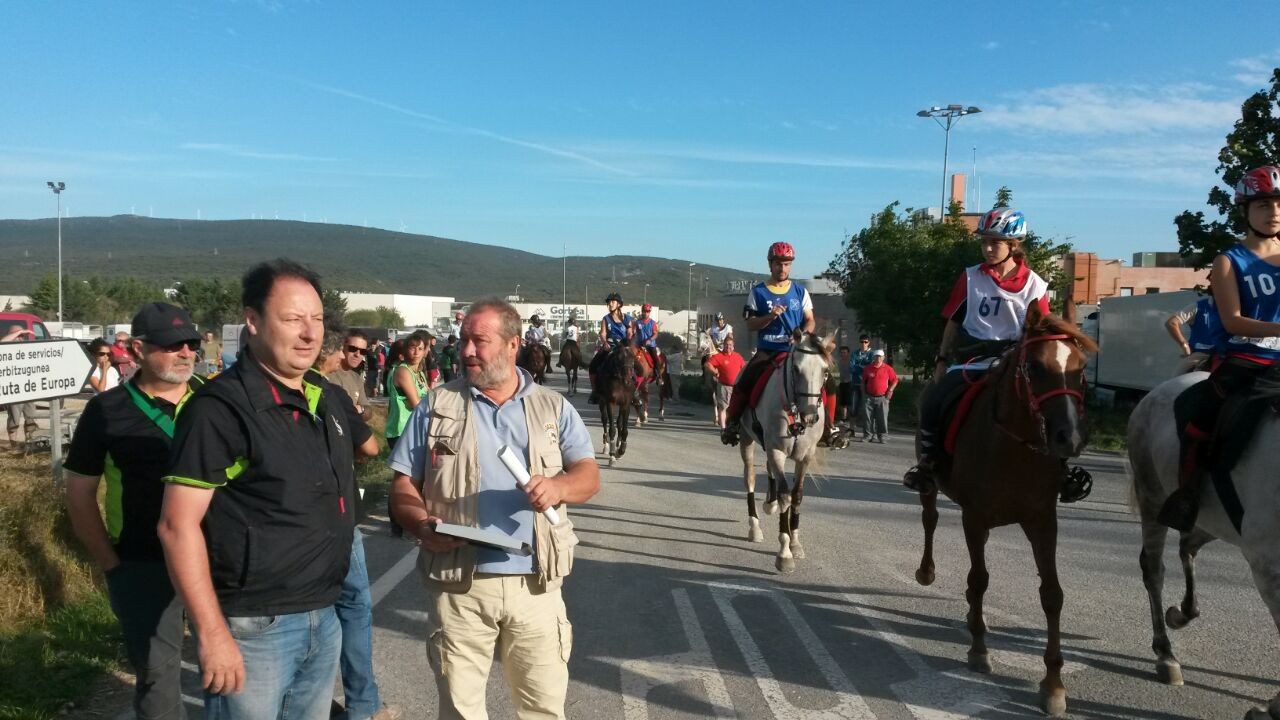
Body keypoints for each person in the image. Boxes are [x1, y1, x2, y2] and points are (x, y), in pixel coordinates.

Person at [158, 259, 380, 719]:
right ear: (253, 321)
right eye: (292, 318)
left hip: (325, 612)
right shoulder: (219, 411)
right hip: (256, 626)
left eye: (317, 319)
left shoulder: (323, 398)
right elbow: (177, 526)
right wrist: (212, 633)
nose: (309, 333)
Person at [387, 297, 599, 720]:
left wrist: (558, 487)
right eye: (464, 340)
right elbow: (402, 487)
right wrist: (420, 523)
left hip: (536, 588)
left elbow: (589, 477)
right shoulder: (435, 405)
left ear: (512, 344)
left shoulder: (553, 407)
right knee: (460, 712)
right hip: (459, 587)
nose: (466, 350)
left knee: (543, 709)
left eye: (479, 341)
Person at [63, 302, 203, 720]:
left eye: (191, 343)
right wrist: (112, 566)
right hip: (143, 564)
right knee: (158, 683)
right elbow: (79, 494)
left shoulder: (214, 401)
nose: (185, 352)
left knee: (235, 670)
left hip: (217, 558)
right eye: (171, 344)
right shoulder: (106, 411)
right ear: (139, 349)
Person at [1160, 166, 1280, 531]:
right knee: (1202, 412)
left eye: (1278, 203)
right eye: (1262, 204)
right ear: (1245, 210)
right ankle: (1188, 495)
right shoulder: (1230, 261)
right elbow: (1232, 322)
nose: (1273, 211)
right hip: (1248, 358)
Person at [903, 207, 1051, 492]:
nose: (987, 248)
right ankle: (929, 463)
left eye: (994, 242)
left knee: (1054, 401)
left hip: (1015, 360)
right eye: (984, 241)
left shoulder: (1035, 284)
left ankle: (1059, 467)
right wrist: (942, 359)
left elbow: (1041, 330)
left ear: (1013, 245)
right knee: (933, 400)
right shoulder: (971, 277)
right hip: (973, 361)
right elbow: (953, 322)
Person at [312, 331, 402, 720]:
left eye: (362, 351)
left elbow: (365, 411)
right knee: (352, 607)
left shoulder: (348, 381)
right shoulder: (327, 389)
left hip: (305, 517)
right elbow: (369, 444)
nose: (356, 356)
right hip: (335, 511)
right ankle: (361, 705)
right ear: (330, 352)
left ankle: (337, 705)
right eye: (350, 350)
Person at [720, 242, 816, 446]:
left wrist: (802, 335)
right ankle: (733, 423)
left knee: (822, 379)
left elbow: (811, 320)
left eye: (787, 264)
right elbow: (750, 324)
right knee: (744, 380)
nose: (783, 268)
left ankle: (828, 427)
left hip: (794, 350)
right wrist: (770, 316)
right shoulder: (758, 292)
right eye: (779, 264)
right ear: (770, 265)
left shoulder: (800, 292)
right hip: (768, 350)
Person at [387, 331, 431, 537]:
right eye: (412, 348)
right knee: (403, 477)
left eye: (420, 349)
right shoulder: (403, 371)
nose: (416, 352)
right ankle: (396, 521)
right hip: (400, 428)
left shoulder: (419, 373)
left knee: (416, 477)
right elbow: (418, 404)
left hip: (414, 429)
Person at [1166, 288, 1225, 376]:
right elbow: (1171, 323)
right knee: (1176, 379)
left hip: (1226, 355)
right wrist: (1184, 344)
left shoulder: (1235, 307)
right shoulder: (1198, 306)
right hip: (1201, 355)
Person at [587, 293, 632, 404]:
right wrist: (605, 342)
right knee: (593, 365)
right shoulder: (606, 319)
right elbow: (603, 333)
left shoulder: (626, 318)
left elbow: (630, 332)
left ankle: (635, 392)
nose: (610, 304)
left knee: (636, 365)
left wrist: (627, 342)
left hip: (624, 346)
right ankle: (595, 391)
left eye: (613, 302)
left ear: (619, 304)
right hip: (610, 345)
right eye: (609, 302)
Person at [2, 325, 39, 444]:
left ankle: (29, 445)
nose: (20, 338)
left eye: (22, 336)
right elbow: (2, 342)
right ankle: (13, 445)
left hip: (28, 389)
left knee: (31, 417)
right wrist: (20, 331)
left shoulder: (26, 349)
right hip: (14, 390)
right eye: (18, 336)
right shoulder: (6, 349)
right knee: (14, 419)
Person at [329, 330, 373, 420]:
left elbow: (369, 411)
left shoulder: (357, 378)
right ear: (342, 348)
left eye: (362, 351)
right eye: (353, 349)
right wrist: (356, 410)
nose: (357, 354)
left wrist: (361, 409)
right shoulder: (329, 374)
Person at [704, 336, 746, 428]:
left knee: (736, 408)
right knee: (723, 407)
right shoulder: (719, 356)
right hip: (724, 386)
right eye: (726, 345)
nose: (728, 347)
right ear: (723, 346)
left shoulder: (738, 356)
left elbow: (744, 368)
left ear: (733, 346)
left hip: (736, 387)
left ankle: (734, 425)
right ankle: (723, 428)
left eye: (730, 345)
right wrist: (715, 372)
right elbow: (707, 364)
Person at [861, 349, 898, 444]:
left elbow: (895, 380)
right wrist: (864, 394)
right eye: (876, 356)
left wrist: (890, 390)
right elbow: (863, 382)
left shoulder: (888, 368)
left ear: (883, 358)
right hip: (869, 396)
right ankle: (868, 435)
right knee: (867, 418)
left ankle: (882, 436)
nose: (878, 358)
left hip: (882, 397)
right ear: (873, 357)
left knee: (882, 417)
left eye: (880, 356)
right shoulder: (867, 368)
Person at [848, 335, 875, 440]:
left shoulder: (872, 354)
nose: (863, 344)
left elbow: (872, 367)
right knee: (853, 408)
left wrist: (859, 367)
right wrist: (864, 367)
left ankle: (869, 432)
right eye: (861, 342)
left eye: (865, 342)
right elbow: (851, 367)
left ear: (869, 343)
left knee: (868, 409)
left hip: (868, 385)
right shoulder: (855, 353)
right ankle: (851, 429)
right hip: (855, 384)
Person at [632, 303, 662, 378]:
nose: (646, 313)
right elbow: (634, 332)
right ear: (642, 311)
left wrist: (650, 340)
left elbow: (655, 334)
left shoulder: (653, 323)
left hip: (650, 346)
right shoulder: (637, 322)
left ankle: (659, 376)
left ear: (649, 312)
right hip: (639, 345)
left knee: (656, 359)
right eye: (644, 311)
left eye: (648, 311)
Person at [835, 345, 853, 429]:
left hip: (850, 383)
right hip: (842, 383)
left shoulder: (851, 362)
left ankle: (850, 420)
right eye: (841, 353)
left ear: (848, 353)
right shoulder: (839, 361)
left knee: (849, 402)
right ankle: (843, 419)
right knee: (842, 403)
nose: (843, 354)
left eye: (844, 352)